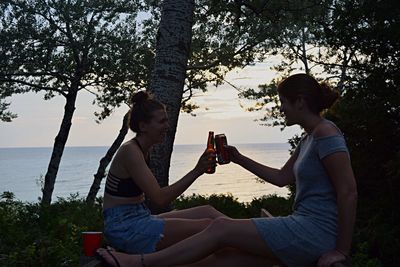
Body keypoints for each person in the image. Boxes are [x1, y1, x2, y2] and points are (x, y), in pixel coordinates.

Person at [97, 73, 358, 267]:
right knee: (226, 253)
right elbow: (281, 178)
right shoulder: (309, 138)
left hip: (313, 232)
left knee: (221, 228)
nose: (280, 109)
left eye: (283, 103)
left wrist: (342, 250)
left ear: (300, 102)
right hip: (304, 227)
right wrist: (238, 158)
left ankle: (138, 263)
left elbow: (347, 192)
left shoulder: (325, 133)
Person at [102, 91, 226, 255]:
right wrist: (197, 170)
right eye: (162, 121)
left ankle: (248, 235)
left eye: (167, 120)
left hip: (139, 217)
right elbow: (160, 198)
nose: (167, 126)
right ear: (143, 126)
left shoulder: (144, 149)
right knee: (209, 227)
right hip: (124, 228)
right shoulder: (130, 151)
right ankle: (248, 246)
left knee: (208, 212)